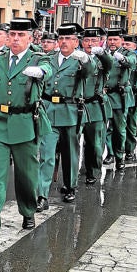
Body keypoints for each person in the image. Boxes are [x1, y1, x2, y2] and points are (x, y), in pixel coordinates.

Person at [0, 18, 52, 242]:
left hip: (25, 123)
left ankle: (28, 211)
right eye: (13, 35)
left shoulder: (38, 58)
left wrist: (40, 71)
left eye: (21, 35)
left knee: (26, 176)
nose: (16, 39)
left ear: (30, 38)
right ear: (8, 38)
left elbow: (48, 68)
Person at [36, 23, 94, 207]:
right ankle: (42, 194)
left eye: (68, 39)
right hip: (48, 111)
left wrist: (85, 60)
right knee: (46, 153)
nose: (63, 42)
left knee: (70, 152)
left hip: (70, 112)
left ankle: (70, 186)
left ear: (76, 42)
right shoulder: (49, 58)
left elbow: (89, 71)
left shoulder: (80, 61)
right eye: (61, 38)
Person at [78, 27, 113, 184]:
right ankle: (81, 170)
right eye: (86, 40)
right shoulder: (76, 57)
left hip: (95, 105)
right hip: (77, 105)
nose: (89, 43)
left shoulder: (102, 59)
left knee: (95, 143)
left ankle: (94, 172)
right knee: (73, 142)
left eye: (93, 40)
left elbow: (109, 63)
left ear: (99, 42)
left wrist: (102, 54)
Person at [103, 29, 135, 171]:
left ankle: (119, 155)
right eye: (110, 39)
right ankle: (110, 153)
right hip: (105, 96)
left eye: (115, 40)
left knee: (120, 129)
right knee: (107, 128)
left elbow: (131, 63)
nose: (112, 42)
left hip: (119, 96)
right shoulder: (103, 54)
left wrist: (122, 59)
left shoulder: (127, 53)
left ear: (121, 40)